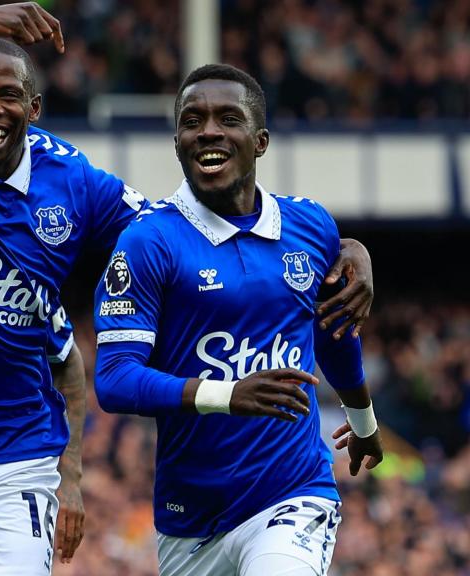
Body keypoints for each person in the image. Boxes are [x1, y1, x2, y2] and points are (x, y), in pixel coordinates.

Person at [0, 3, 374, 574]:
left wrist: (344, 249)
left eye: (7, 94)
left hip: (15, 451)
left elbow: (176, 229)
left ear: (35, 109)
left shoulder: (74, 182)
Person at [93, 64, 384, 576]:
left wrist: (364, 421)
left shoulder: (310, 224)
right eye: (193, 120)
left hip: (294, 491)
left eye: (229, 118)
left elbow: (332, 331)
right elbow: (115, 380)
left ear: (261, 140)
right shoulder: (148, 242)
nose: (208, 131)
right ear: (178, 140)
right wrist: (228, 394)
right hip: (192, 520)